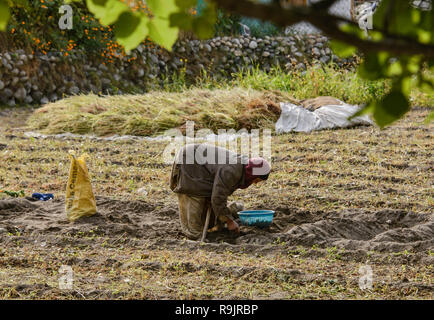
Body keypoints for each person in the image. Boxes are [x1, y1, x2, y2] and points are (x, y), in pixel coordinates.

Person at [170, 143, 271, 240]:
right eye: (256, 180)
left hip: (199, 163)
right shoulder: (231, 170)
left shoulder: (242, 167)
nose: (255, 183)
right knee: (194, 198)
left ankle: (217, 220)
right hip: (189, 161)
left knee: (208, 208)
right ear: (252, 174)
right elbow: (218, 197)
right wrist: (230, 221)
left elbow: (219, 192)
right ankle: (194, 235)